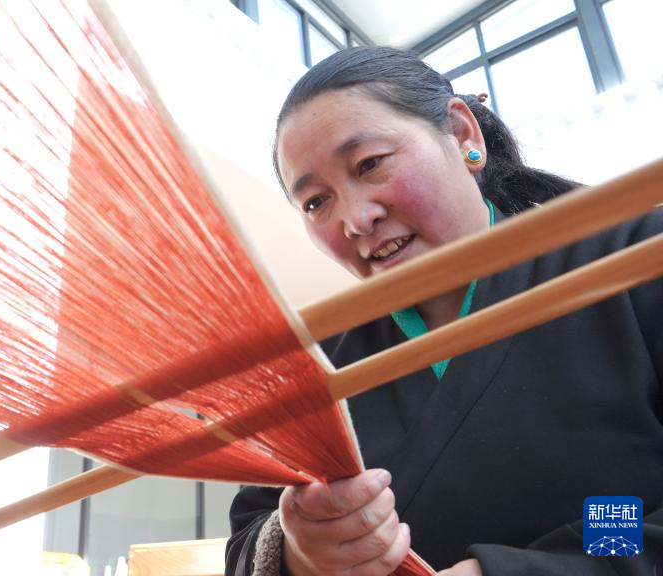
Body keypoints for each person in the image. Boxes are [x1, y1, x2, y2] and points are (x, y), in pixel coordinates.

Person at [226, 46, 662, 576]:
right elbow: (246, 542)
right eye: (317, 202)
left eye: (370, 164)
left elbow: (640, 508)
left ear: (461, 134)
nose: (356, 220)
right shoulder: (314, 372)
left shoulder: (636, 257)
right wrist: (298, 549)